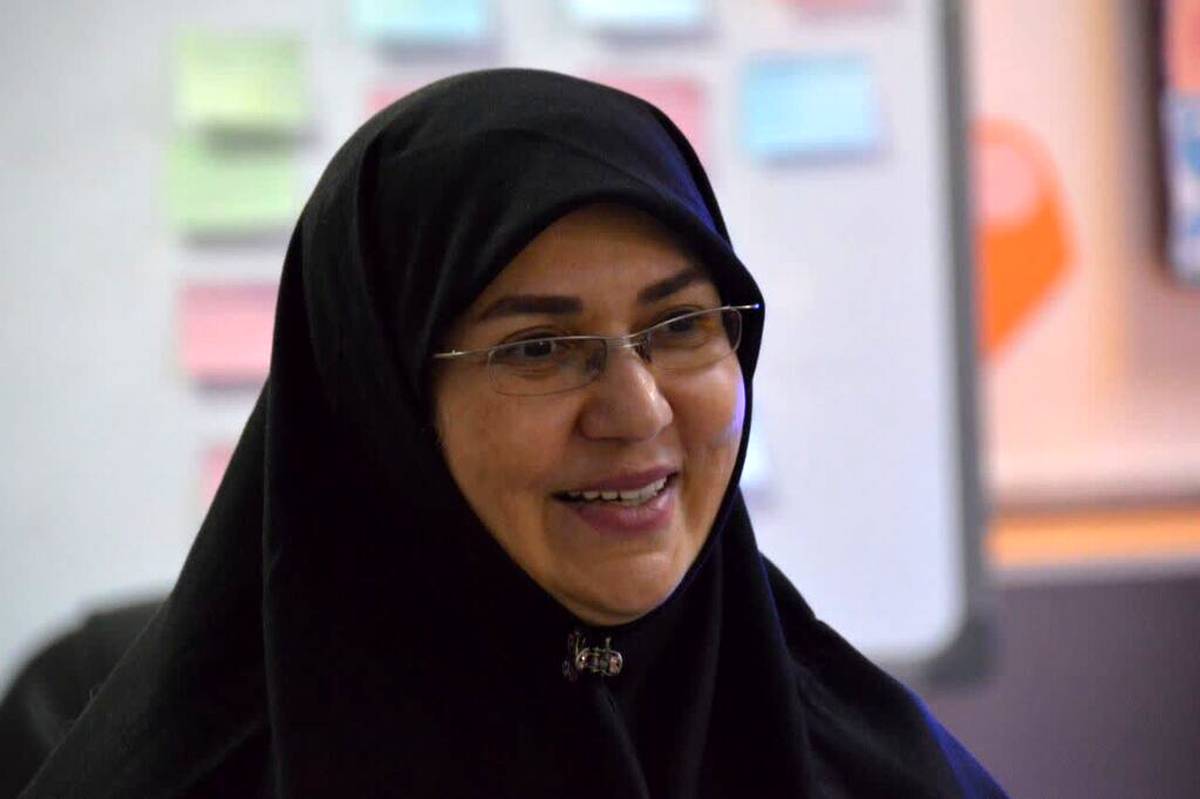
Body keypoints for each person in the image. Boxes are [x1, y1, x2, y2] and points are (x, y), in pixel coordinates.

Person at [16, 69, 1006, 797]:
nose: (639, 410)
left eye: (681, 327)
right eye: (539, 349)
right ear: (384, 406)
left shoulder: (868, 770)